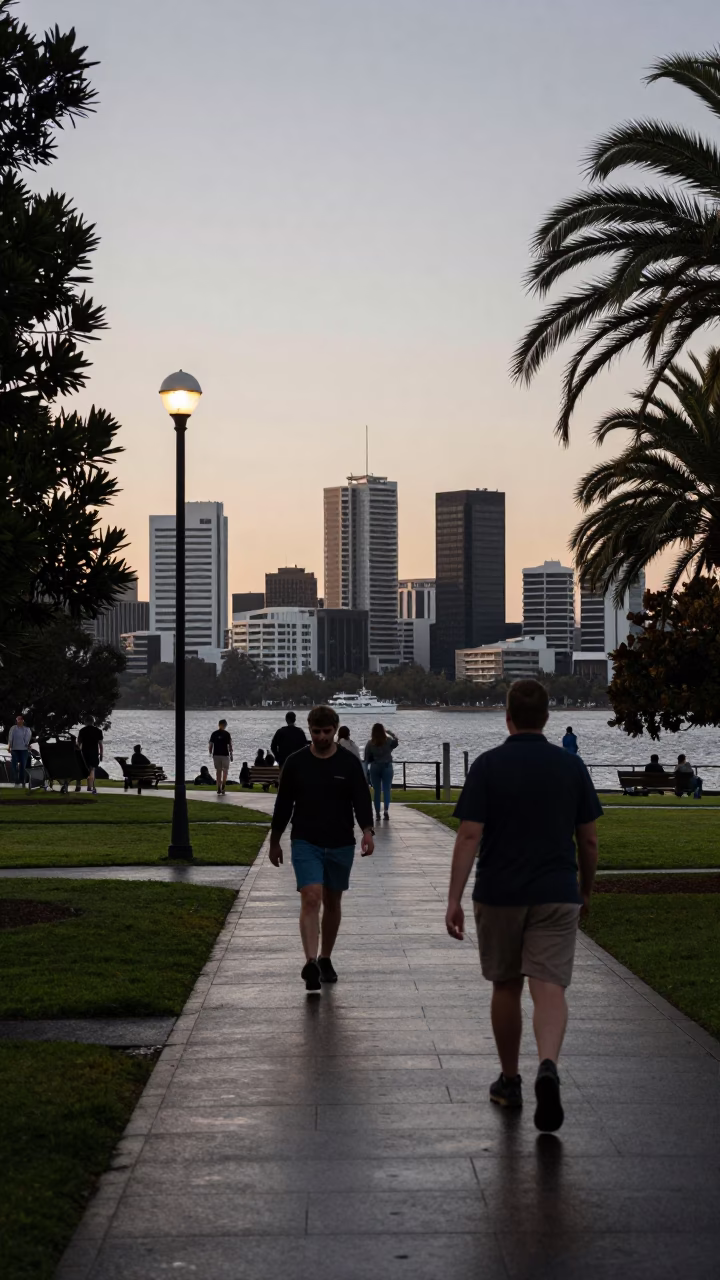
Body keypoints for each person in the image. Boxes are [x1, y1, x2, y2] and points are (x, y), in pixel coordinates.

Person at [445, 678, 602, 1133]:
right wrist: (585, 889)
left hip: (500, 892)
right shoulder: (571, 766)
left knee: (506, 985)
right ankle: (548, 1065)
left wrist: (453, 898)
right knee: (550, 986)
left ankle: (510, 1080)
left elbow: (469, 835)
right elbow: (589, 840)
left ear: (507, 717)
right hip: (556, 891)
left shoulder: (488, 765)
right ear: (547, 718)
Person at [269, 704, 374, 992]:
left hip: (341, 841)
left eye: (327, 731)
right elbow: (283, 804)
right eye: (316, 732)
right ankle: (310, 962)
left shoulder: (349, 763)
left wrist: (367, 831)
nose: (322, 737)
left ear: (335, 729)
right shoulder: (296, 763)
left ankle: (325, 957)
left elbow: (361, 799)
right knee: (311, 897)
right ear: (309, 730)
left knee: (333, 901)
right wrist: (275, 841)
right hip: (305, 841)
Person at [364, 723, 399, 821]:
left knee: (377, 791)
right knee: (387, 789)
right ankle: (386, 811)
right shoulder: (388, 741)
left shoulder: (370, 743)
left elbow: (366, 758)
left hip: (375, 766)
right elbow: (396, 742)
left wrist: (365, 771)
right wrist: (391, 733)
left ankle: (377, 813)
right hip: (387, 766)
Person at [77, 717, 103, 794]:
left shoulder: (82, 731)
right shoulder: (98, 731)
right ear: (93, 722)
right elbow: (100, 745)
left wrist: (77, 753)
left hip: (84, 753)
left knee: (81, 769)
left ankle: (78, 785)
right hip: (94, 753)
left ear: (86, 722)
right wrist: (101, 754)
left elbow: (79, 744)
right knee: (92, 769)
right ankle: (90, 786)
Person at [208, 719, 233, 795]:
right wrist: (231, 754)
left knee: (218, 771)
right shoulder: (227, 734)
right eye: (225, 725)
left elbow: (210, 745)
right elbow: (230, 745)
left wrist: (210, 752)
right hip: (225, 755)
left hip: (216, 755)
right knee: (225, 771)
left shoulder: (214, 734)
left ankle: (219, 787)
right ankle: (223, 787)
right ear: (223, 725)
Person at [8, 714, 32, 788]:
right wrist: (9, 746)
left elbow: (27, 739)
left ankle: (22, 781)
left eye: (20, 719)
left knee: (23, 766)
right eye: (18, 719)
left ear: (23, 720)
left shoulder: (27, 729)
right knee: (14, 765)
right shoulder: (13, 728)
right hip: (14, 749)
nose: (19, 721)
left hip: (24, 750)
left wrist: (27, 745)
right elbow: (10, 737)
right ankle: (16, 780)